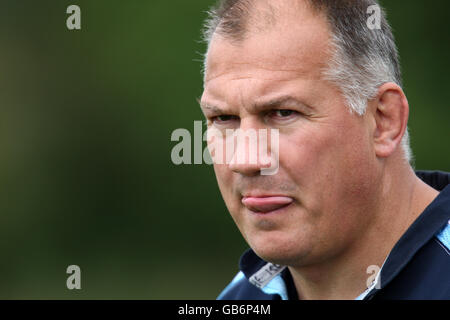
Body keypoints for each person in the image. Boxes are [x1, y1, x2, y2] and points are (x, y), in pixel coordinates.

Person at [199, 0, 450, 300]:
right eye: (224, 118)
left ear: (384, 120)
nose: (246, 160)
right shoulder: (239, 297)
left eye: (282, 113)